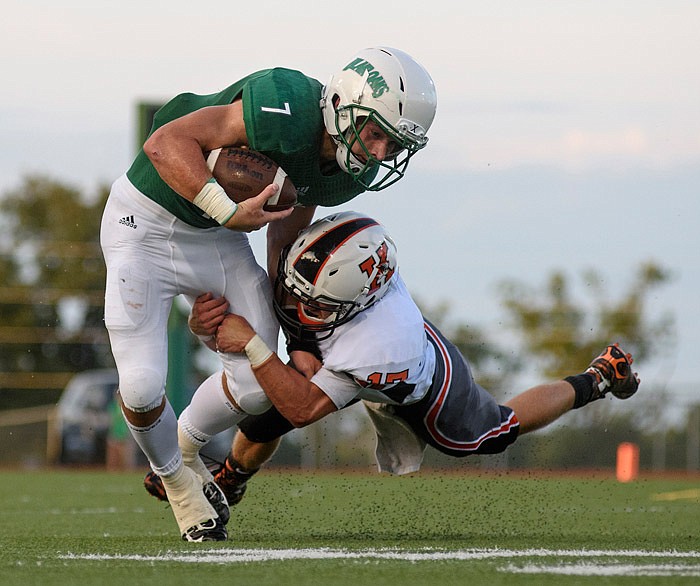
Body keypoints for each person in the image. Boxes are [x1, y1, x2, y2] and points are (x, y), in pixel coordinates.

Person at [101, 47, 438, 541]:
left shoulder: (346, 174)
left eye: (393, 144)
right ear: (344, 103)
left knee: (259, 388)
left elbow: (283, 235)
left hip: (216, 239)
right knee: (140, 387)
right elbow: (164, 143)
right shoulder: (285, 106)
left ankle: (187, 450)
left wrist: (299, 338)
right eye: (375, 133)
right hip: (143, 222)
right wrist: (226, 208)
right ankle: (176, 482)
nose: (381, 153)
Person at [145, 211, 641, 513]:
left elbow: (303, 408)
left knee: (491, 434)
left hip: (417, 378)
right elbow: (293, 237)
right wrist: (205, 323)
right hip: (345, 351)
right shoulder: (324, 269)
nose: (297, 308)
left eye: (312, 305)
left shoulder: (382, 346)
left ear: (354, 303)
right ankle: (232, 478)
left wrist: (254, 343)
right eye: (295, 291)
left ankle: (597, 377)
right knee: (261, 415)